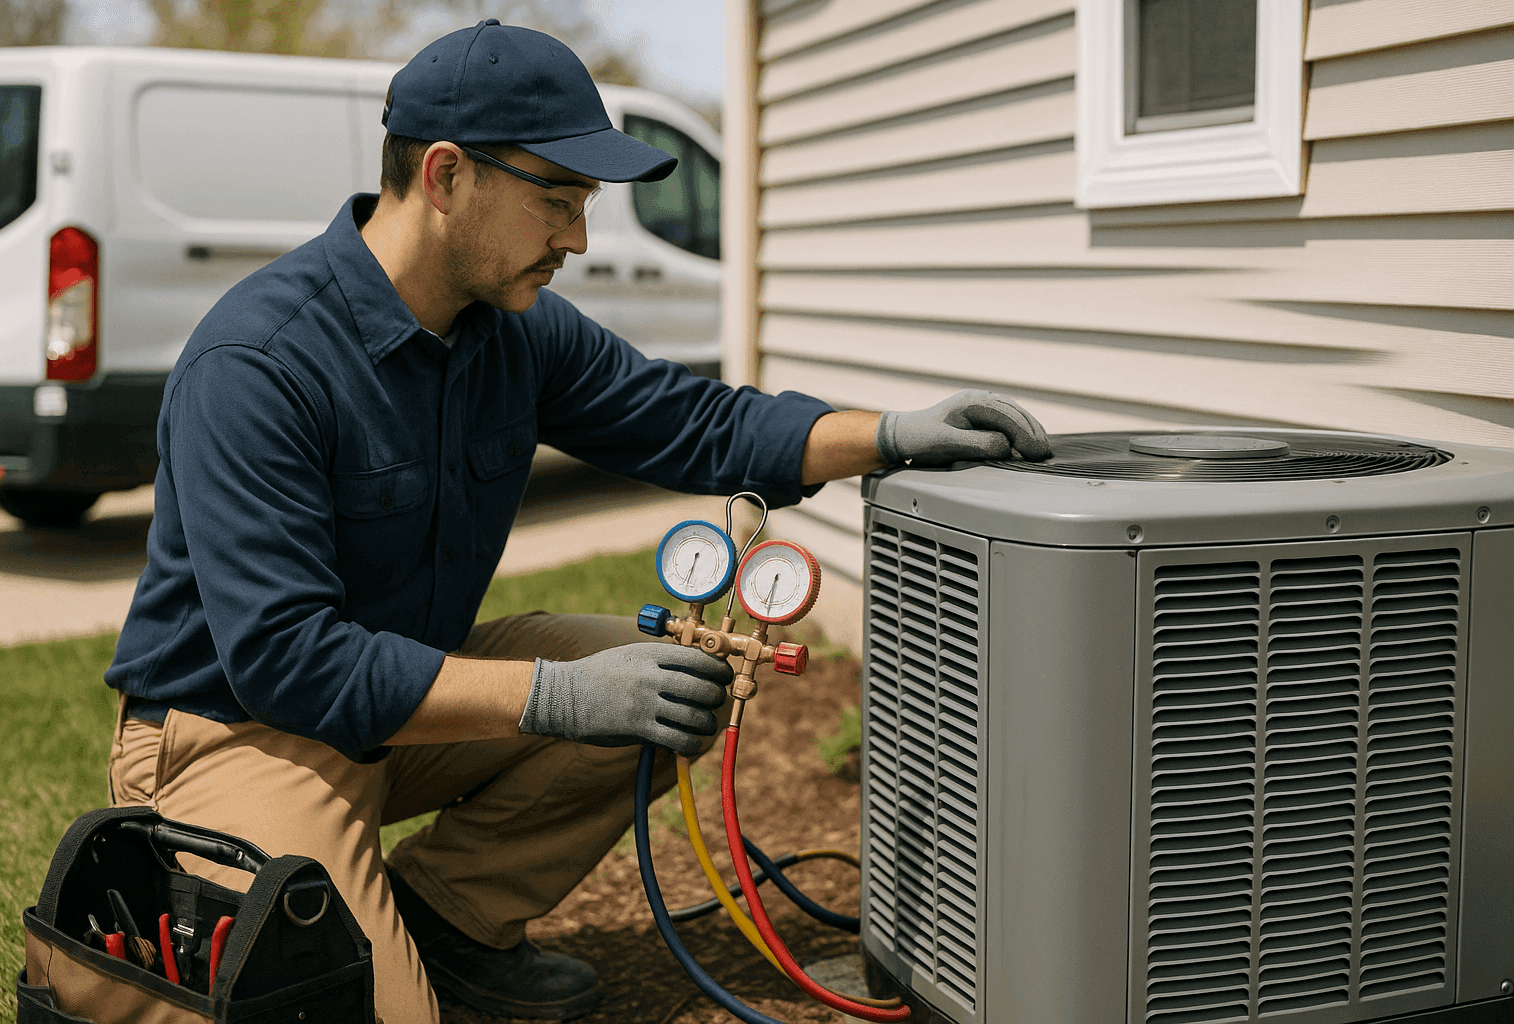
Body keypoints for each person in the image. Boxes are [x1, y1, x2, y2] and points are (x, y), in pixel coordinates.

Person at [102, 19, 1052, 1024]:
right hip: (237, 731)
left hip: (390, 708)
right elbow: (288, 661)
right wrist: (555, 697)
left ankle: (448, 921)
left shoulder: (512, 330)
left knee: (675, 684)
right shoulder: (260, 365)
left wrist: (893, 433)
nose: (578, 238)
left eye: (584, 204)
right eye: (556, 200)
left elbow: (692, 421)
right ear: (445, 175)